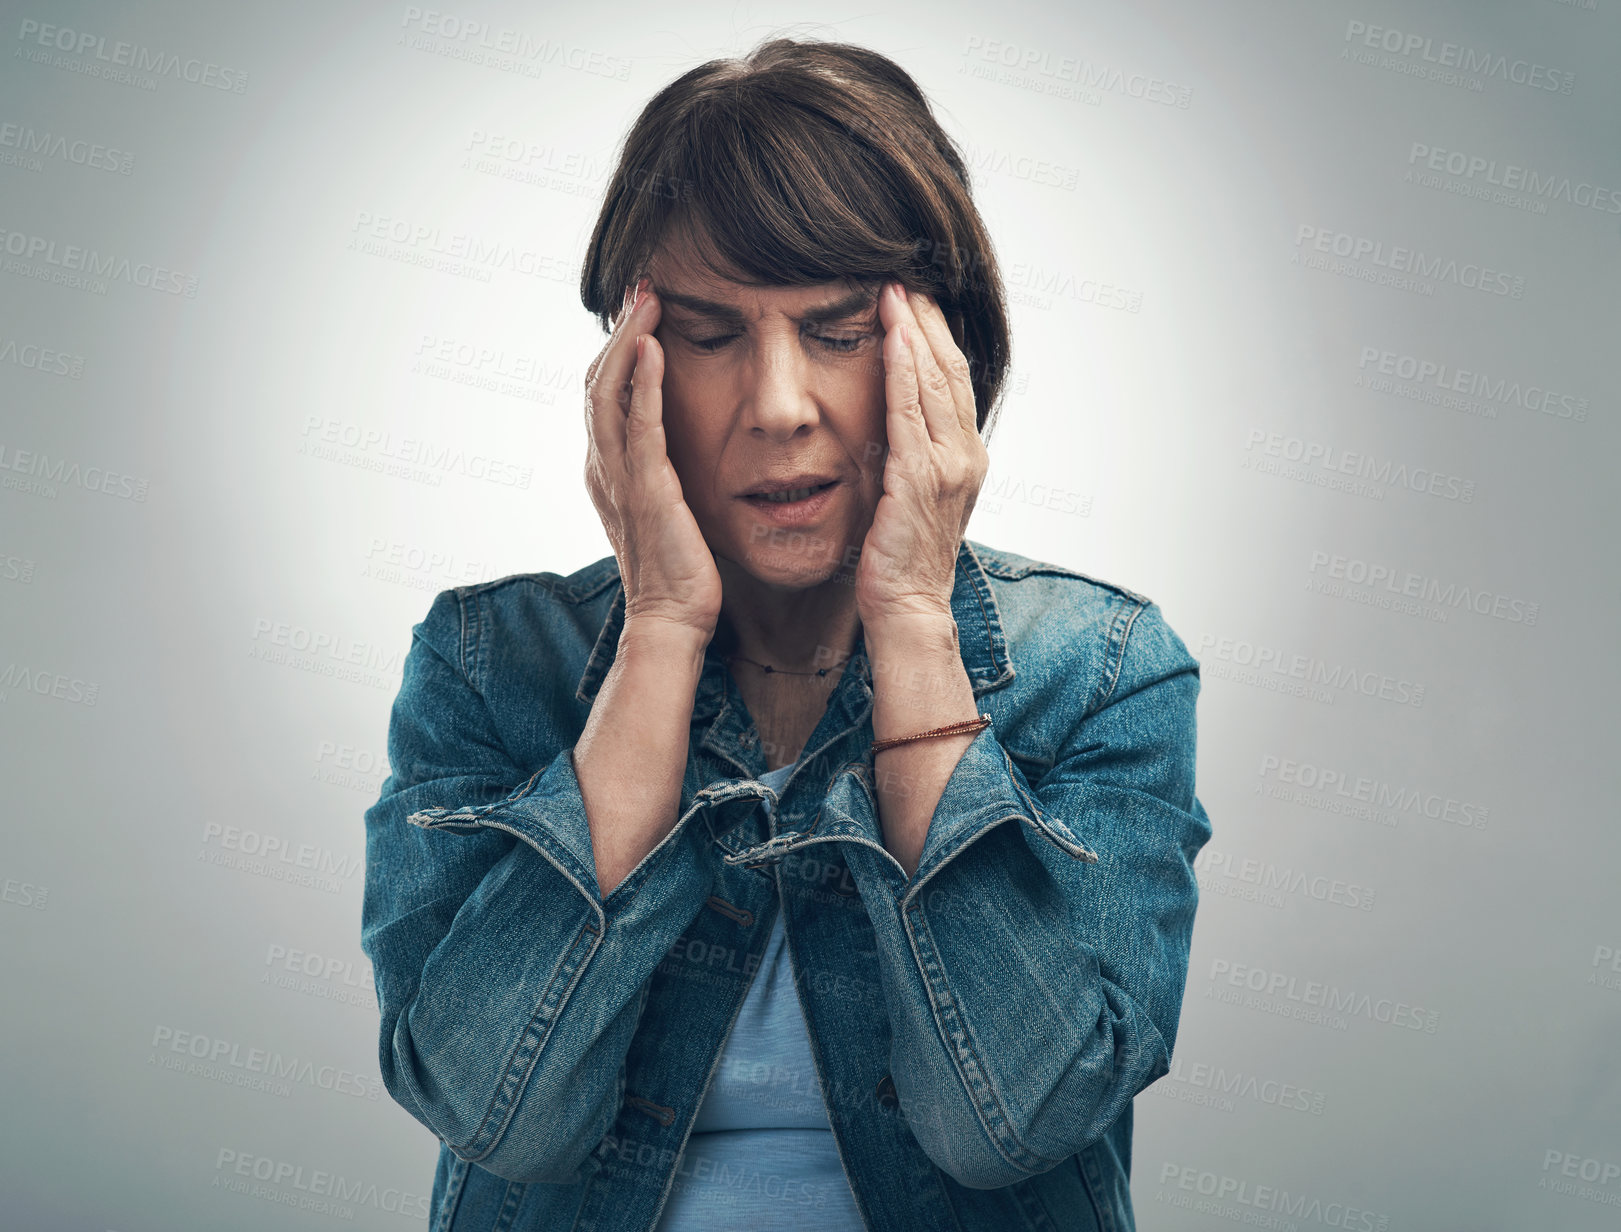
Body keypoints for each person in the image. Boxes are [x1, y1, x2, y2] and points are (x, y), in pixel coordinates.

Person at [361, 35, 1212, 1232]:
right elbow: (500, 1113)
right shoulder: (488, 665)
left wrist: (913, 617)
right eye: (708, 335)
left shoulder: (1102, 672)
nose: (776, 405)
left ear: (946, 351)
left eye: (837, 329)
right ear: (629, 366)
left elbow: (1012, 1120)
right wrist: (659, 625)